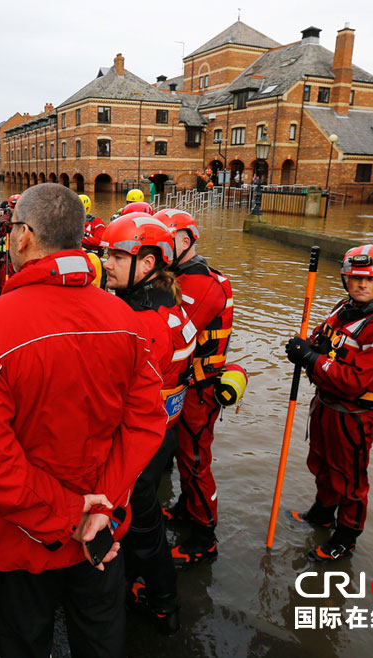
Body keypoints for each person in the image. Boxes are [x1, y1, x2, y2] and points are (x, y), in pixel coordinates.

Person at [0, 183, 167, 658]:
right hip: (101, 531)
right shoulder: (126, 318)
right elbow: (145, 424)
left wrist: (70, 514)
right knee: (99, 641)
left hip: (23, 537)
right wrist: (100, 508)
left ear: (24, 236)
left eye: (13, 229)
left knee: (21, 644)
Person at [285, 245, 373, 562]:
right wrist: (305, 348)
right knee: (320, 461)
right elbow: (319, 338)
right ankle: (322, 513)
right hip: (325, 404)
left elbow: (356, 381)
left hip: (356, 414)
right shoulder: (342, 310)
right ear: (346, 279)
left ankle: (346, 536)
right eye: (355, 278)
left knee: (350, 478)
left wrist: (311, 358)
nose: (361, 285)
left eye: (370, 279)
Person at [101, 212, 197, 635]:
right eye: (105, 252)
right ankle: (147, 588)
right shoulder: (171, 305)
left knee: (141, 524)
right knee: (145, 516)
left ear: (147, 263)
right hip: (166, 428)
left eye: (118, 255)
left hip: (141, 437)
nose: (105, 262)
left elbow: (115, 392)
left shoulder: (144, 324)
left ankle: (162, 603)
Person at [154, 208, 233, 568]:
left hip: (198, 389)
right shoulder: (179, 276)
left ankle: (205, 537)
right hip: (184, 387)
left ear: (184, 241)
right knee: (185, 457)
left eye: (164, 242)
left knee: (196, 460)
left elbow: (175, 335)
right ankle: (187, 508)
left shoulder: (201, 283)